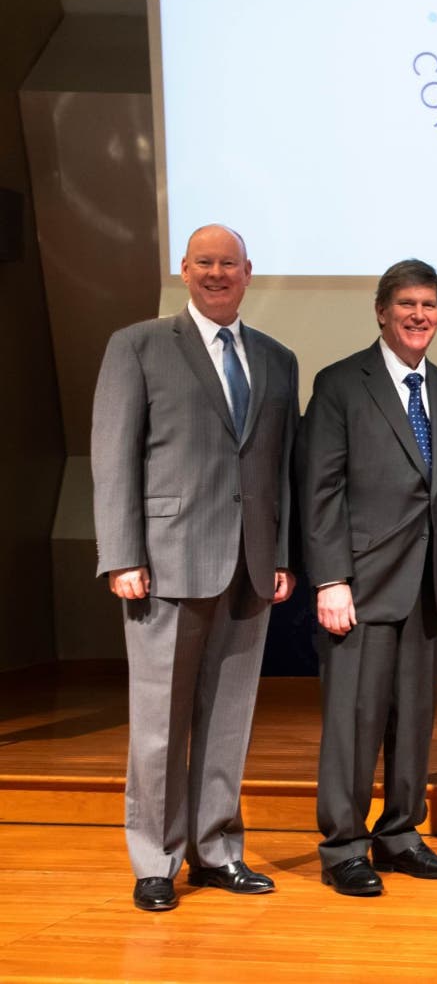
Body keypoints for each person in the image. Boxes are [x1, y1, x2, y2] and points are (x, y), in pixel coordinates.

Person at [91, 224, 299, 912]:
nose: (217, 273)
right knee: (159, 723)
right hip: (167, 564)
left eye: (229, 264)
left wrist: (283, 554)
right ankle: (155, 861)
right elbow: (113, 455)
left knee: (229, 721)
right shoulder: (139, 346)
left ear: (248, 272)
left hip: (250, 565)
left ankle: (216, 851)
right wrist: (122, 554)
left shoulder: (277, 359)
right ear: (184, 269)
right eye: (204, 262)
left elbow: (281, 471)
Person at [300, 259, 437, 897]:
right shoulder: (341, 384)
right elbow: (318, 492)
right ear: (381, 310)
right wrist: (329, 580)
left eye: (429, 305)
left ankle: (400, 833)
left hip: (430, 589)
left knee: (415, 721)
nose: (418, 315)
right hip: (361, 584)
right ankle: (344, 845)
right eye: (406, 304)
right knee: (354, 721)